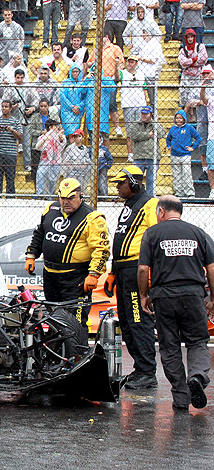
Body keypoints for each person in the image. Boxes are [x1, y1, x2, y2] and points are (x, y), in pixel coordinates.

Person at [138, 195, 214, 410]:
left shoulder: (152, 234)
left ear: (161, 212)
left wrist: (144, 295)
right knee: (198, 341)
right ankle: (197, 377)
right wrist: (213, 299)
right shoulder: (198, 233)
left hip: (164, 296)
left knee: (169, 347)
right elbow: (212, 268)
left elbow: (143, 269)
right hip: (193, 294)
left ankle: (181, 397)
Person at [25, 178, 110, 327]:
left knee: (75, 322)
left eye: (71, 198)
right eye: (63, 198)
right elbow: (39, 234)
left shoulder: (92, 217)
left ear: (80, 195)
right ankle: (57, 349)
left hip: (75, 278)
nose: (66, 202)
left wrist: (94, 274)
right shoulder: (50, 209)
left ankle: (76, 350)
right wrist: (31, 255)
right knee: (53, 318)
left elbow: (101, 249)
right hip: (50, 274)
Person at [104, 166, 158, 389]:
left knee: (138, 321)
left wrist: (151, 274)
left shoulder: (150, 204)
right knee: (126, 322)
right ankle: (140, 368)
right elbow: (121, 241)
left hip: (138, 270)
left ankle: (147, 371)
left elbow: (155, 239)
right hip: (124, 271)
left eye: (121, 183)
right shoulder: (129, 206)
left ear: (134, 183)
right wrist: (113, 272)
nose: (117, 187)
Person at [116, 55, 148, 163]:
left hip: (140, 104)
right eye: (129, 62)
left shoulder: (141, 74)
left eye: (132, 62)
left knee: (140, 130)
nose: (130, 64)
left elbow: (144, 89)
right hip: (128, 104)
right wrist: (117, 67)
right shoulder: (123, 73)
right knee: (129, 130)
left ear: (136, 63)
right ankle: (130, 154)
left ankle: (139, 152)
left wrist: (145, 104)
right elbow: (117, 78)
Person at [131, 106, 165, 196]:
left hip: (152, 156)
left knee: (151, 180)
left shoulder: (155, 124)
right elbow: (134, 136)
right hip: (139, 156)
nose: (144, 115)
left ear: (151, 114)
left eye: (146, 114)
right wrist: (148, 135)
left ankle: (150, 197)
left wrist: (155, 122)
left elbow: (161, 134)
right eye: (142, 113)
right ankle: (137, 196)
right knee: (136, 179)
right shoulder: (136, 124)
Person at [166, 109, 200, 197]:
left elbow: (198, 138)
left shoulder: (189, 128)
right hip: (174, 155)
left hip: (185, 155)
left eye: (180, 118)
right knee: (177, 176)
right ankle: (178, 193)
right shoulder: (173, 129)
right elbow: (168, 139)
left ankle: (189, 193)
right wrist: (169, 146)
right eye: (177, 118)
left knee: (187, 175)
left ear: (184, 119)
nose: (178, 120)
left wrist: (193, 147)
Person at [0, 99, 22, 194]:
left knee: (10, 180)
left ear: (10, 108)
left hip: (11, 154)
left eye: (6, 107)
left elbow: (21, 137)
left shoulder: (16, 121)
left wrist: (12, 130)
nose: (4, 109)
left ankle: (10, 198)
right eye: (2, 107)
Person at [178, 29, 207, 113]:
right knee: (185, 95)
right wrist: (194, 60)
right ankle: (188, 113)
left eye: (192, 37)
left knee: (196, 95)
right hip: (187, 76)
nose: (190, 39)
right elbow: (183, 63)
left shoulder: (200, 47)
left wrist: (189, 62)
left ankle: (193, 113)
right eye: (188, 37)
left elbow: (203, 59)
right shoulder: (183, 50)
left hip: (198, 75)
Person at [60, 63, 85, 138]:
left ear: (79, 73)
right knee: (70, 132)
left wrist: (79, 107)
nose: (75, 73)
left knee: (76, 133)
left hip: (78, 111)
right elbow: (63, 96)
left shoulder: (82, 84)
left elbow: (85, 98)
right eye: (73, 71)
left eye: (76, 71)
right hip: (67, 111)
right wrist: (71, 107)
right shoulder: (65, 82)